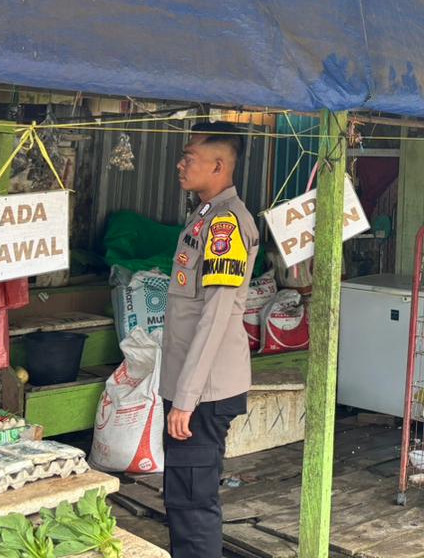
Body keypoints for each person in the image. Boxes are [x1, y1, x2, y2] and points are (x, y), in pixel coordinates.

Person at [161, 121, 259, 558]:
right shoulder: (204, 214)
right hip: (194, 385)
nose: (180, 165)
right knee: (182, 495)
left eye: (190, 158)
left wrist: (186, 398)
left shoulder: (226, 225)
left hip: (204, 391)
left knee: (192, 500)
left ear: (218, 166)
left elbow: (216, 316)